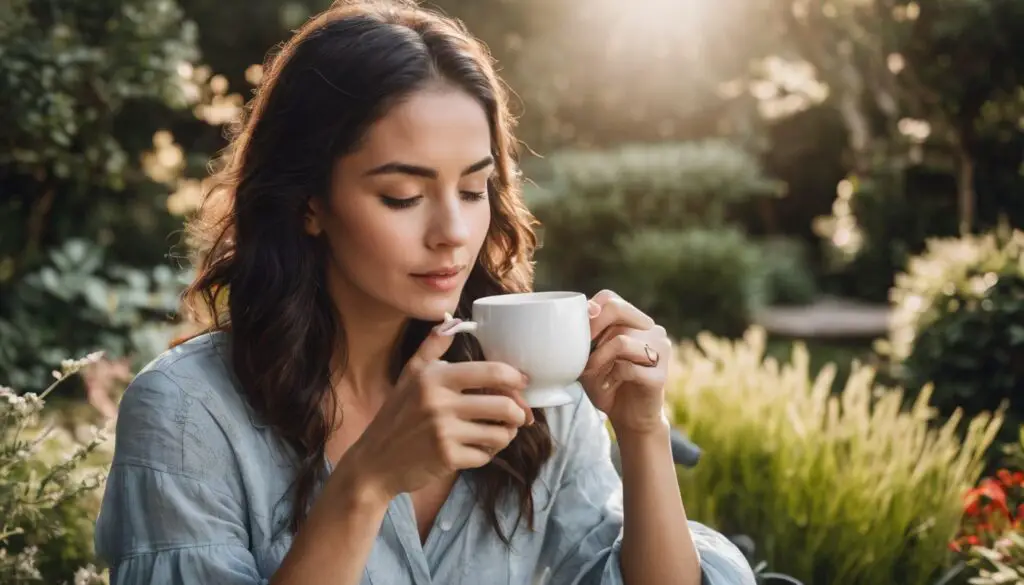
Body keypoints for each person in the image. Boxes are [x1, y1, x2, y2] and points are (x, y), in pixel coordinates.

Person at [93, 2, 756, 584]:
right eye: (402, 196)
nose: (454, 233)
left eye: (474, 190)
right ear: (309, 203)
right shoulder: (187, 415)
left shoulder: (536, 389)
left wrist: (642, 430)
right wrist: (367, 481)